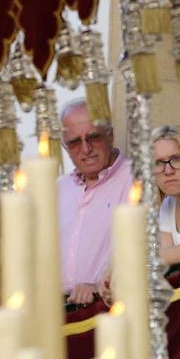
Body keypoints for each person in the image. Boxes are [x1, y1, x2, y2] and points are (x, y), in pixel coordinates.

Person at [57, 98, 133, 307]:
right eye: (74, 142)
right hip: (55, 314)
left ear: (110, 134)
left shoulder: (136, 181)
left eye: (93, 137)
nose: (85, 149)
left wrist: (100, 285)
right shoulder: (58, 189)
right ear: (65, 147)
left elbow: (146, 251)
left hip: (104, 309)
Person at [152, 124, 180, 267]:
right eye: (158, 163)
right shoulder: (168, 205)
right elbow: (167, 256)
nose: (168, 170)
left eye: (176, 159)